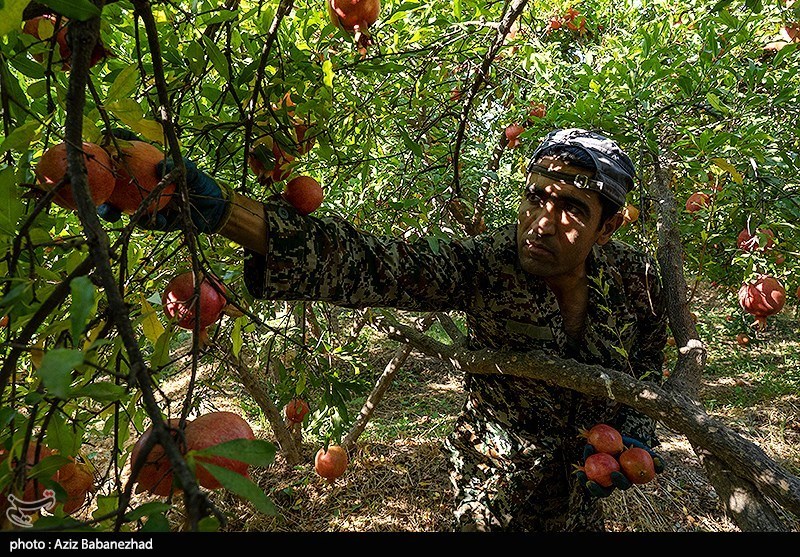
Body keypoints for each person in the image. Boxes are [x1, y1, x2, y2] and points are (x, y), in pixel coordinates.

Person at [99, 127, 667, 531]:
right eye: (536, 196)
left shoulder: (638, 283)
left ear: (609, 225)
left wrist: (636, 431)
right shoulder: (488, 266)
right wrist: (223, 212)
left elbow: (645, 375)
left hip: (582, 502)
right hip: (495, 495)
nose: (543, 220)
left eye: (570, 206)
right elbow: (366, 262)